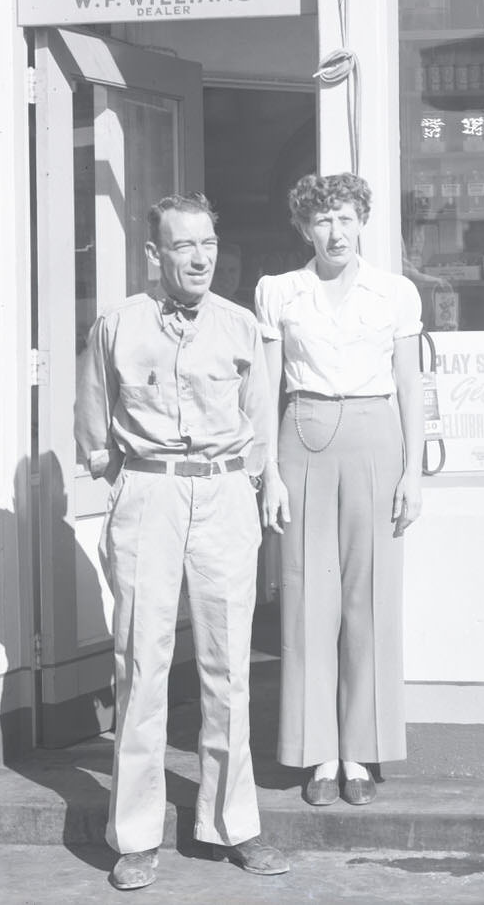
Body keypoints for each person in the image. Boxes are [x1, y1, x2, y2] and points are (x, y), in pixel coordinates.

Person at [74, 193, 289, 891]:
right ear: (154, 255)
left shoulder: (240, 326)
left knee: (228, 666)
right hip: (149, 492)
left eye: (207, 244)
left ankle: (233, 823)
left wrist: (247, 484)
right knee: (142, 662)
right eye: (182, 246)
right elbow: (93, 434)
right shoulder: (116, 326)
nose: (199, 258)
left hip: (226, 493)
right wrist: (138, 482)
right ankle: (135, 836)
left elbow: (260, 430)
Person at [254, 173, 425, 807]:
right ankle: (317, 754)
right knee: (305, 595)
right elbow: (266, 389)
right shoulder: (281, 292)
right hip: (303, 432)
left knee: (371, 597)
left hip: (376, 436)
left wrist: (412, 471)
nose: (336, 231)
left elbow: (410, 385)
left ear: (363, 224)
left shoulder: (394, 293)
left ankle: (360, 752)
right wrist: (268, 471)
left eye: (347, 218)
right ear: (304, 228)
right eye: (323, 220)